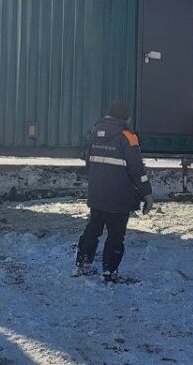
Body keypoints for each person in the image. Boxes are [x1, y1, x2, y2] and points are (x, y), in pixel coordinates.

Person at [75, 101, 153, 282]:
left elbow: (88, 162)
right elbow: (136, 169)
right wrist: (147, 193)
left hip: (97, 194)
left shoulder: (95, 132)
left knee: (92, 230)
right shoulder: (128, 136)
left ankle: (82, 265)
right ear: (125, 117)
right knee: (116, 236)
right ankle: (109, 273)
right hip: (119, 197)